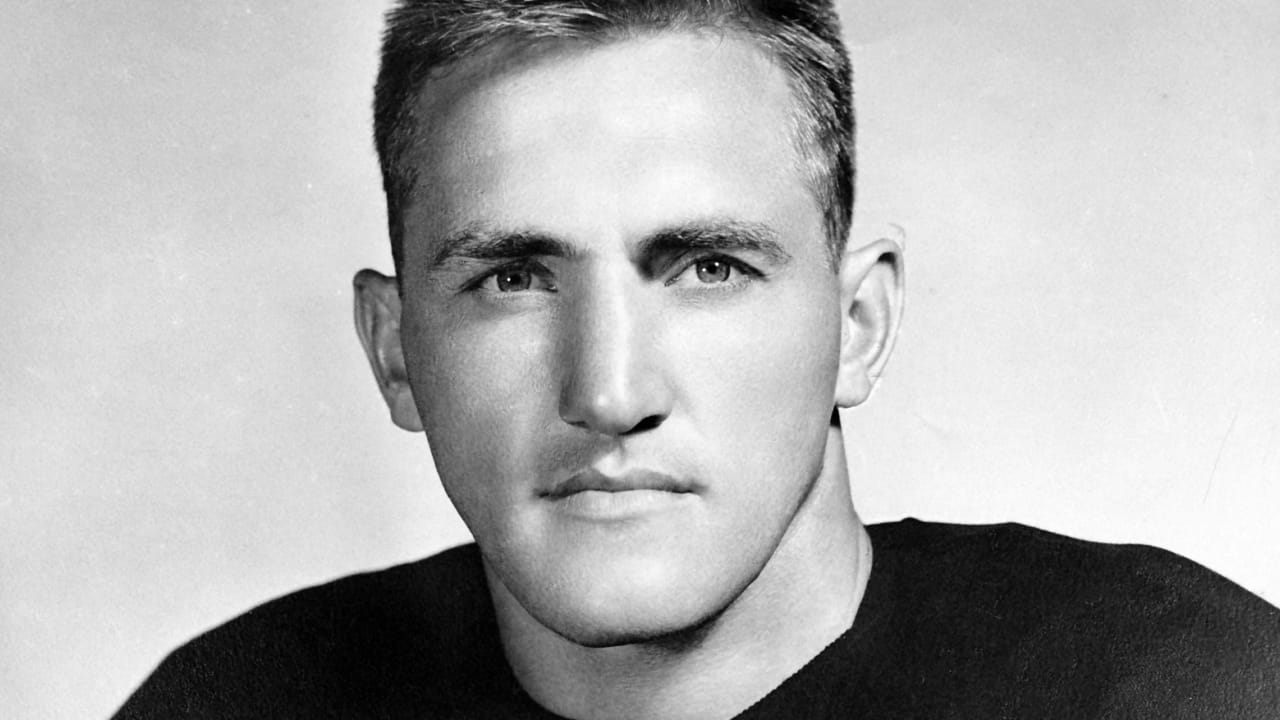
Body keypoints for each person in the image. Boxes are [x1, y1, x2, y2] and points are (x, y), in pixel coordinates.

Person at [113, 1, 1280, 718]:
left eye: (708, 267)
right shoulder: (233, 700)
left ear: (857, 328)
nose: (611, 394)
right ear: (397, 353)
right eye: (513, 278)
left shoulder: (1179, 692)